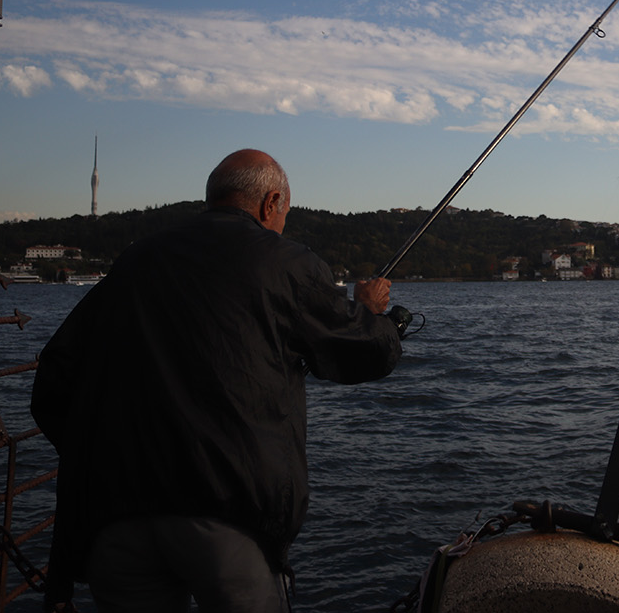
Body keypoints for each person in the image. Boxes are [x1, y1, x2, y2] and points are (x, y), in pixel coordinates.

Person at [32, 149, 403, 613]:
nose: (282, 222)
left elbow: (55, 376)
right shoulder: (284, 262)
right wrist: (369, 314)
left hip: (117, 521)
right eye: (284, 212)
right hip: (226, 517)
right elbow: (363, 352)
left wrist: (101, 456)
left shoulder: (134, 260)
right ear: (271, 203)